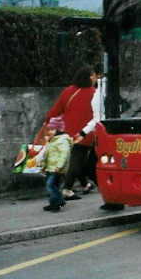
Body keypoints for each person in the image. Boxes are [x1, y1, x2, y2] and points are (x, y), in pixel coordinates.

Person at [43, 65, 101, 200]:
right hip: (85, 133)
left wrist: (47, 121)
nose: (95, 78)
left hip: (67, 132)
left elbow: (56, 110)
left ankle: (85, 184)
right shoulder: (95, 93)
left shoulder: (68, 91)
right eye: (93, 75)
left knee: (75, 160)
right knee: (77, 161)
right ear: (88, 77)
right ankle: (67, 188)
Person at [35, 122, 72, 212]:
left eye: (52, 130)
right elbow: (46, 155)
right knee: (54, 186)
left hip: (57, 168)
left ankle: (56, 203)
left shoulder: (62, 140)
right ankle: (57, 202)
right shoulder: (51, 140)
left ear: (58, 130)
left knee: (50, 185)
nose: (50, 132)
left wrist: (59, 166)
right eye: (49, 130)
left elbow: (64, 154)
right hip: (50, 168)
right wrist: (42, 166)